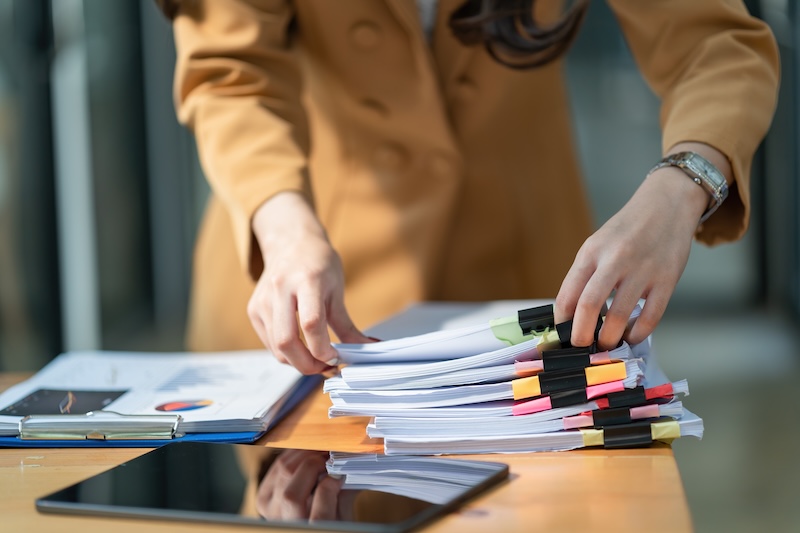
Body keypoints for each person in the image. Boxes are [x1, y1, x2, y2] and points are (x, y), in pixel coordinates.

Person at [158, 0, 779, 374]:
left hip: (524, 281)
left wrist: (682, 185)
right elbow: (230, 75)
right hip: (305, 283)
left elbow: (715, 43)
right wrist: (284, 224)